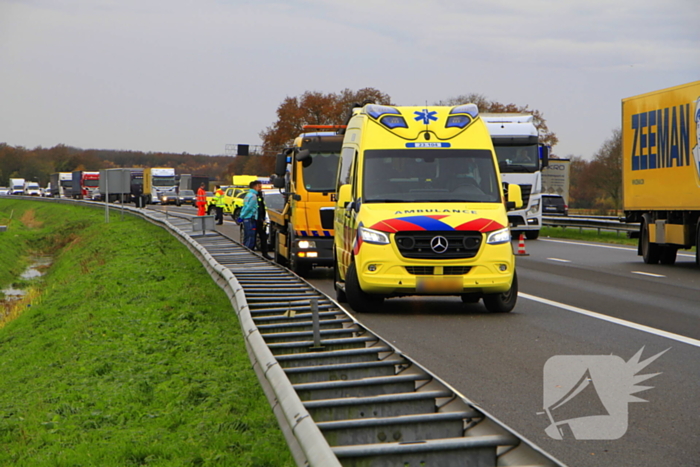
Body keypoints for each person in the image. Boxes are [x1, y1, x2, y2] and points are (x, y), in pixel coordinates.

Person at [240, 180, 262, 250]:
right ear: (255, 187)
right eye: (259, 187)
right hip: (250, 218)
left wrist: (242, 216)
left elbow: (244, 206)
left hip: (246, 218)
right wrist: (242, 216)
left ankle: (245, 248)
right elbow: (249, 207)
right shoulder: (253, 196)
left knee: (247, 235)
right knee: (251, 235)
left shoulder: (248, 194)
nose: (260, 188)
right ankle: (248, 250)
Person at [256, 188, 271, 259]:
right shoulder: (253, 196)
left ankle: (265, 253)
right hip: (256, 219)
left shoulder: (260, 197)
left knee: (263, 237)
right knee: (252, 237)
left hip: (261, 219)